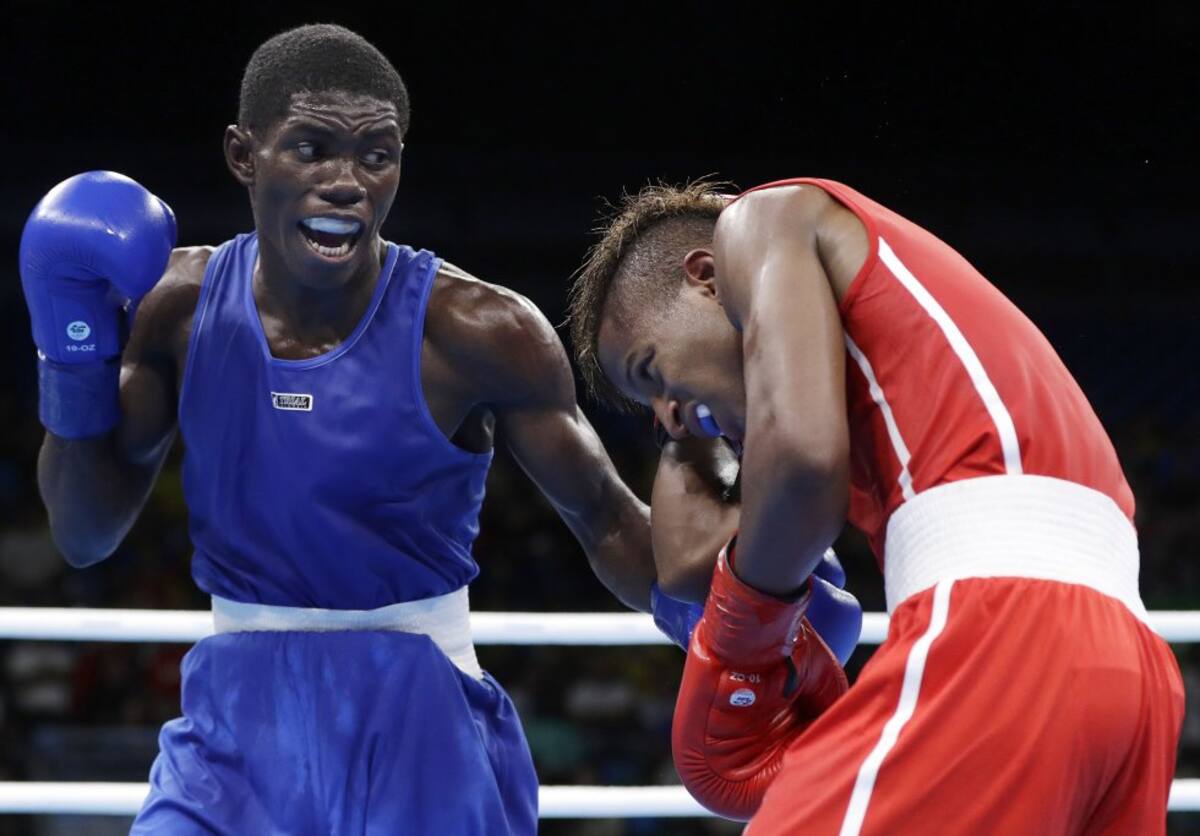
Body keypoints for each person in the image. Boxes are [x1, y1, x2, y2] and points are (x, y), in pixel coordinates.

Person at [17, 23, 669, 835]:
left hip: (421, 713)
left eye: (376, 155)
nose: (347, 183)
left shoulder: (475, 331)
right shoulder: (176, 311)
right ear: (243, 155)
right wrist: (71, 358)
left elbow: (606, 518)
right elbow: (83, 534)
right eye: (311, 149)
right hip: (232, 732)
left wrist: (737, 613)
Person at [568, 177, 1186, 833]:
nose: (669, 415)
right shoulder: (882, 368)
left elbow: (803, 469)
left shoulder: (763, 219)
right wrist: (689, 439)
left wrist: (742, 628)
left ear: (707, 278)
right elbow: (695, 562)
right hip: (1131, 673)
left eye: (651, 371)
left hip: (1006, 631)